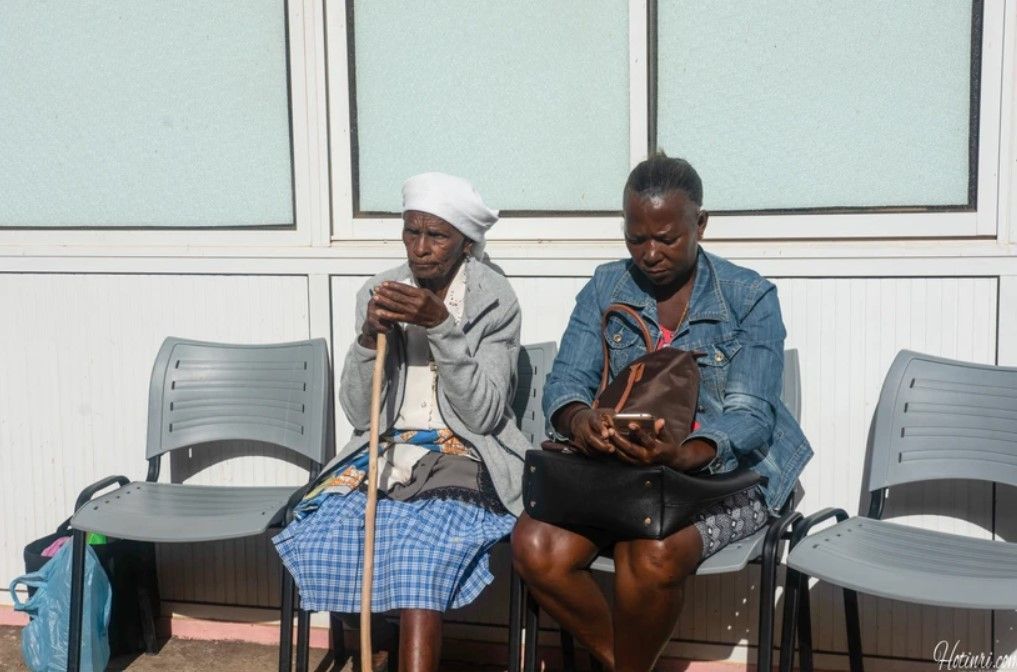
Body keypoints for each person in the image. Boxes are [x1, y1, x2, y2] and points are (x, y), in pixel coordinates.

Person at [511, 153, 812, 672]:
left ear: (700, 224)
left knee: (647, 552)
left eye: (666, 239)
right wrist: (581, 421)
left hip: (727, 475)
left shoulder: (749, 296)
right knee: (534, 544)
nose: (649, 253)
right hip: (627, 475)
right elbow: (566, 383)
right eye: (635, 239)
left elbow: (751, 415)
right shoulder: (606, 286)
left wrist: (686, 452)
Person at [274, 172, 529, 672]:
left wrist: (441, 327)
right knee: (329, 527)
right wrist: (369, 340)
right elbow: (356, 411)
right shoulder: (379, 290)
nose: (421, 248)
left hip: (463, 452)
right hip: (389, 448)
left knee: (422, 550)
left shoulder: (495, 300)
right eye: (412, 232)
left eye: (437, 236)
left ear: (464, 244)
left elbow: (484, 414)